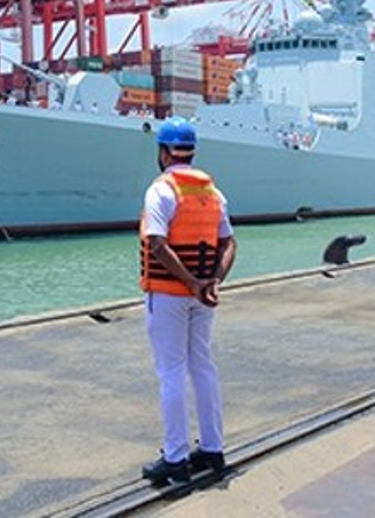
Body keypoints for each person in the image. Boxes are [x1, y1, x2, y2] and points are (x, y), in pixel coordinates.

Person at [139, 117, 237, 486]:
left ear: (163, 152)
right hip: (202, 296)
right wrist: (212, 282)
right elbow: (229, 243)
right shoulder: (213, 193)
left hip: (168, 295)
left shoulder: (161, 191)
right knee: (203, 366)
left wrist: (193, 283)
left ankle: (176, 457)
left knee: (171, 372)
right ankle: (212, 449)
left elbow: (157, 245)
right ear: (191, 152)